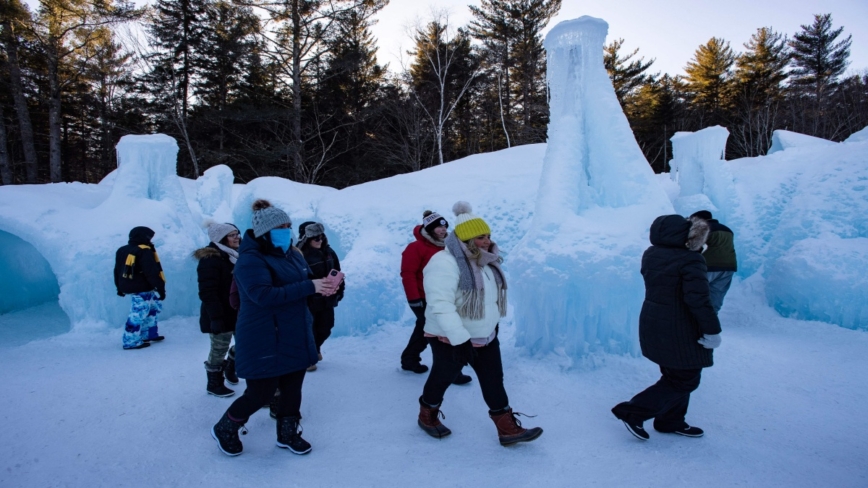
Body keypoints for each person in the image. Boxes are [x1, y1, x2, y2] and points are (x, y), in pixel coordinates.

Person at [211, 199, 338, 457]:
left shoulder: (291, 254)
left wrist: (321, 289)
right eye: (281, 226)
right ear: (264, 231)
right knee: (261, 392)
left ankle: (287, 433)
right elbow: (263, 295)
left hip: (293, 331)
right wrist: (309, 287)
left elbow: (299, 287)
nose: (287, 230)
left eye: (288, 225)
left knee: (292, 388)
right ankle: (225, 427)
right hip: (263, 335)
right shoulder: (250, 260)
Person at [416, 202, 542, 446]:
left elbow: (488, 301)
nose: (487, 241)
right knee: (443, 376)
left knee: (494, 378)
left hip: (484, 336)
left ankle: (507, 428)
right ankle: (427, 415)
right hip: (450, 338)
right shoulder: (444, 263)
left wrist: (492, 327)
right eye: (481, 237)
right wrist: (460, 339)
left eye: (488, 236)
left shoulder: (483, 262)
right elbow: (440, 305)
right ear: (465, 238)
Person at [612, 215, 721, 441]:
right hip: (680, 327)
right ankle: (634, 412)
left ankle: (671, 421)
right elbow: (698, 299)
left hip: (654, 321)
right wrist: (712, 330)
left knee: (674, 373)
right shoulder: (691, 260)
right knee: (686, 379)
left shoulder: (651, 254)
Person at [400, 210, 472, 385]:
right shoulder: (416, 248)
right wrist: (414, 299)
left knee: (424, 329)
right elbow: (408, 273)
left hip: (445, 295)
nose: (442, 229)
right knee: (443, 332)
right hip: (425, 298)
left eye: (444, 225)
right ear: (429, 228)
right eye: (438, 226)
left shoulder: (448, 246)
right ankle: (452, 371)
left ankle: (409, 359)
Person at [194, 221, 241, 397]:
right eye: (232, 234)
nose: (237, 237)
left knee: (244, 343)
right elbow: (207, 291)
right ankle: (214, 383)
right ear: (221, 238)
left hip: (237, 310)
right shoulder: (211, 259)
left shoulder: (236, 255)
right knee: (219, 348)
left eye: (237, 233)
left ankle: (231, 366)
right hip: (220, 312)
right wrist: (215, 317)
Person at [297, 221, 345, 372]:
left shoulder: (329, 252)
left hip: (327, 299)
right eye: (315, 238)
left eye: (322, 237)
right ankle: (307, 358)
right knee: (308, 330)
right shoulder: (299, 255)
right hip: (309, 301)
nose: (320, 240)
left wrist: (339, 290)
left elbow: (338, 271)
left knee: (326, 327)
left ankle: (315, 349)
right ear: (306, 238)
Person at [114, 226, 166, 350]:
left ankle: (148, 334)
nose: (150, 239)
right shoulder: (144, 251)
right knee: (138, 312)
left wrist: (119, 287)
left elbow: (117, 271)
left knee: (152, 309)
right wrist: (160, 288)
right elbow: (151, 272)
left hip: (132, 286)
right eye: (148, 237)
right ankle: (130, 341)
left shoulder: (122, 250)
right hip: (143, 287)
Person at [690, 210, 737, 314]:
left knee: (697, 292)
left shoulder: (703, 228)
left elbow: (694, 247)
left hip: (708, 266)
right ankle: (711, 318)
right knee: (717, 294)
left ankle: (694, 319)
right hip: (729, 267)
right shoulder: (727, 230)